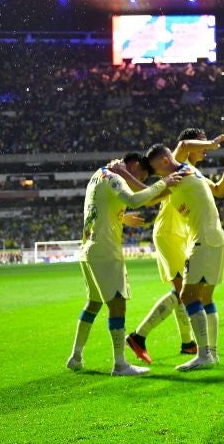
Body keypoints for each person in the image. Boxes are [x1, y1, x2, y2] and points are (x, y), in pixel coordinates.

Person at [124, 132, 224, 363]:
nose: (204, 150)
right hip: (170, 234)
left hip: (193, 236)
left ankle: (195, 347)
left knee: (191, 294)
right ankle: (191, 346)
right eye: (201, 144)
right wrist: (213, 143)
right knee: (186, 293)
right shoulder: (176, 169)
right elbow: (148, 195)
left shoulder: (188, 172)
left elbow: (219, 191)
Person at [66, 152, 180, 376]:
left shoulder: (98, 175)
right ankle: (120, 364)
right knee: (118, 305)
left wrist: (122, 218)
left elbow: (100, 206)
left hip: (88, 248)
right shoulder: (115, 176)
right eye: (144, 175)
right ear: (134, 165)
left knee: (93, 304)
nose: (143, 182)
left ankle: (75, 356)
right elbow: (135, 200)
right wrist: (163, 183)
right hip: (106, 251)